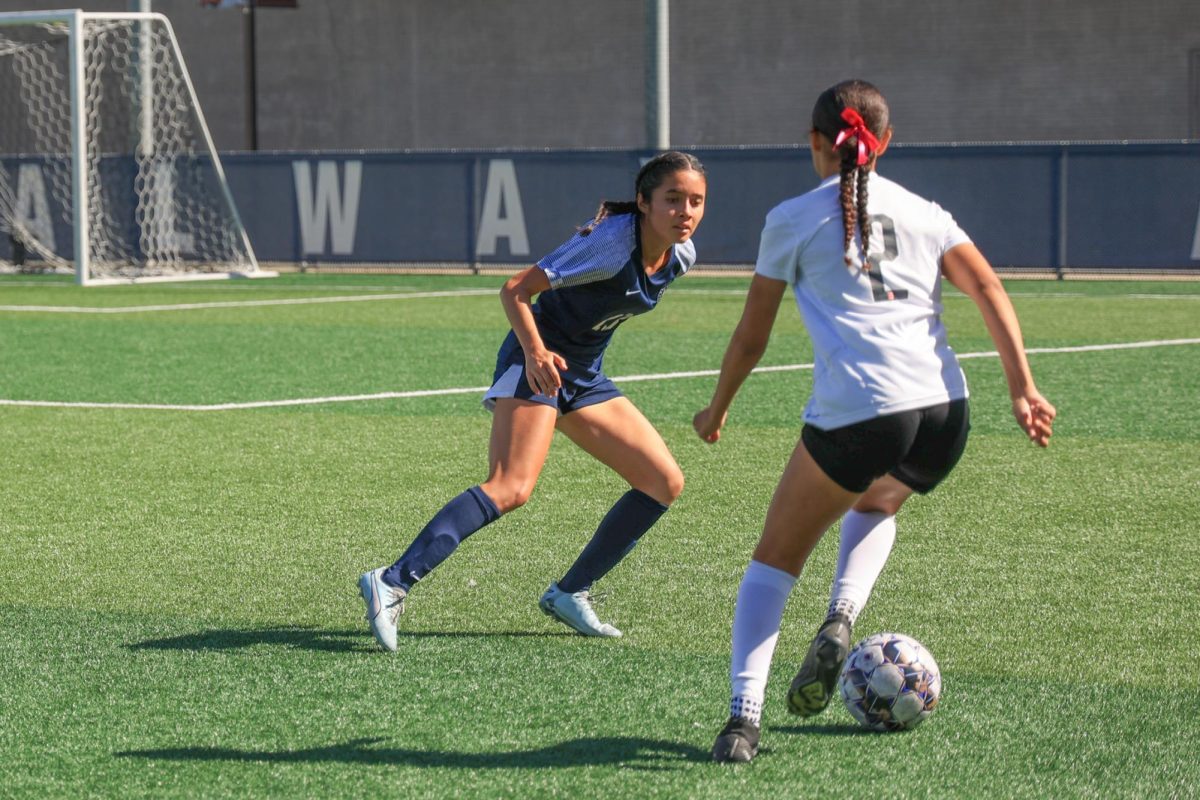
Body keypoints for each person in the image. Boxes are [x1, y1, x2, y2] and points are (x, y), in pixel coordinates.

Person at [693, 80, 1056, 763]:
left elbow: (750, 337)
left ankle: (742, 721)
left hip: (862, 412)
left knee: (774, 560)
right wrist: (1023, 390)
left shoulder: (793, 218)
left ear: (814, 144)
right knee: (880, 498)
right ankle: (842, 616)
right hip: (945, 413)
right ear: (884, 143)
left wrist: (718, 409)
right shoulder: (927, 213)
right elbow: (989, 288)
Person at [359, 151, 708, 651]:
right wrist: (536, 353)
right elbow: (516, 290)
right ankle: (392, 580)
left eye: (696, 201)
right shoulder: (612, 245)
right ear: (643, 202)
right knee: (511, 487)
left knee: (662, 482)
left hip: (582, 374)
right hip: (536, 360)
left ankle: (570, 592)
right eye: (672, 200)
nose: (685, 211)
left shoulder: (680, 256)